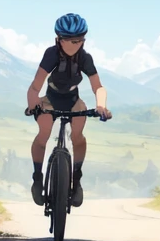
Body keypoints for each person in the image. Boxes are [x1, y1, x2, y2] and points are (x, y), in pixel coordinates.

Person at [26, 13, 112, 208]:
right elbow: (35, 86)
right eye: (69, 40)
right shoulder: (51, 54)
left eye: (79, 40)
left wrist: (101, 105)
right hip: (51, 98)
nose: (74, 45)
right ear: (59, 39)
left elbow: (98, 86)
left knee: (78, 136)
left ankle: (77, 180)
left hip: (73, 99)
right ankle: (37, 178)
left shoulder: (84, 57)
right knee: (44, 132)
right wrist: (33, 104)